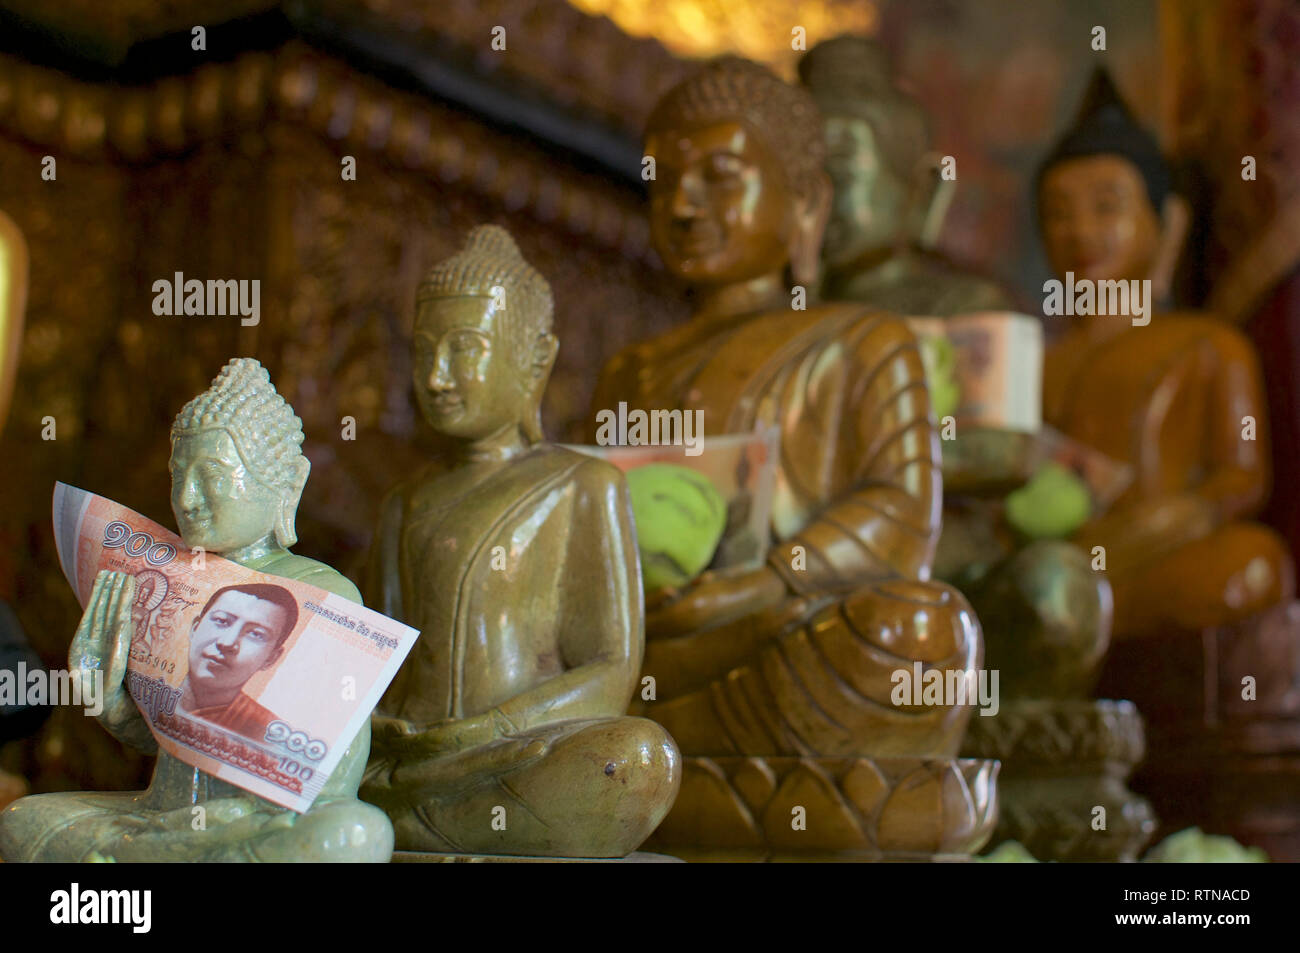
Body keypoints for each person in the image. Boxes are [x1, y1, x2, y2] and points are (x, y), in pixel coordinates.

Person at [361, 225, 680, 858]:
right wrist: (376, 724)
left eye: (463, 348)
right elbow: (376, 655)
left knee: (638, 759)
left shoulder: (583, 484)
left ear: (535, 358)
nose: (436, 374)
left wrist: (490, 728)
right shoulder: (404, 501)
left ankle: (400, 825)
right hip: (405, 762)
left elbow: (612, 670)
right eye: (423, 351)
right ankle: (405, 814)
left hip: (508, 754)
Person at [0, 359, 393, 862]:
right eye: (178, 476)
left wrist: (256, 814)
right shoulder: (167, 581)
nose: (187, 498)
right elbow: (169, 736)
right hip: (164, 816)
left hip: (256, 823)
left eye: (210, 477)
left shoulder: (323, 592)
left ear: (286, 485)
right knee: (23, 820)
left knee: (355, 833)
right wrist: (114, 708)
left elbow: (332, 784)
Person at [177, 583, 297, 740]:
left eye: (255, 634)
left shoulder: (270, 735)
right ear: (195, 628)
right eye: (221, 620)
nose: (227, 643)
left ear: (271, 658)